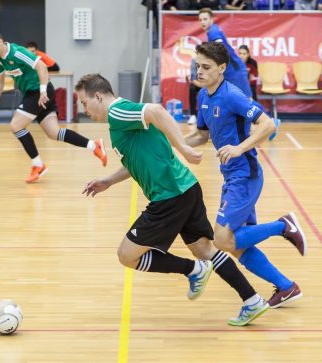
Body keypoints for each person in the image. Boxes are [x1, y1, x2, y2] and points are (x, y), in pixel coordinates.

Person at [78, 73, 271, 326]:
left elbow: (156, 111)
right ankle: (252, 300)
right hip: (186, 189)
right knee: (204, 249)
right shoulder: (120, 121)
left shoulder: (118, 112)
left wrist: (184, 147)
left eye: (83, 103)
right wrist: (109, 181)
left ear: (98, 96)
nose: (83, 109)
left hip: (170, 197)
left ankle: (193, 270)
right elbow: (140, 159)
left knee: (127, 255)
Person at [184, 42, 307, 309]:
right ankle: (287, 287)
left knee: (221, 239)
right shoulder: (204, 96)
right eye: (198, 66)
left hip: (245, 174)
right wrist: (174, 145)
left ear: (222, 68)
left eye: (206, 67)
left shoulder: (232, 95)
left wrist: (239, 148)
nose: (200, 71)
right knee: (239, 246)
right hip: (231, 176)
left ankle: (283, 226)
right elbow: (202, 135)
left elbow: (268, 124)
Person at [0, 29, 107, 183]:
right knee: (53, 132)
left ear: (0, 42)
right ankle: (93, 146)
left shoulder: (17, 52)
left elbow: (41, 66)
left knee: (16, 125)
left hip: (39, 92)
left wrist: (42, 92)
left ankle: (37, 164)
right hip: (34, 94)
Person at [198, 9, 252, 98]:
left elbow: (221, 47)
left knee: (247, 101)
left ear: (211, 19)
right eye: (200, 20)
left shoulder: (213, 32)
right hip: (228, 70)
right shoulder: (213, 29)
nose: (202, 22)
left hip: (235, 70)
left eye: (205, 19)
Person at [187, 57, 203, 125]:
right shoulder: (195, 60)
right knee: (192, 89)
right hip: (199, 84)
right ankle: (193, 115)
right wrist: (203, 86)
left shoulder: (213, 59)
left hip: (210, 83)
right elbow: (193, 79)